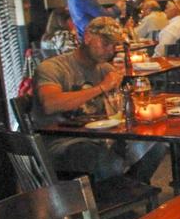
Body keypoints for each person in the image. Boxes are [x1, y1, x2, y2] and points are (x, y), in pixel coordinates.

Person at [33, 16, 167, 184]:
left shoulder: (105, 69)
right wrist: (101, 87)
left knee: (156, 146)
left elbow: (120, 109)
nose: (110, 50)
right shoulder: (54, 67)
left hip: (102, 138)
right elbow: (50, 104)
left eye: (114, 45)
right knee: (108, 161)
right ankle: (114, 197)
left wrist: (129, 96)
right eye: (105, 44)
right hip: (61, 143)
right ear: (88, 37)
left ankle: (125, 192)